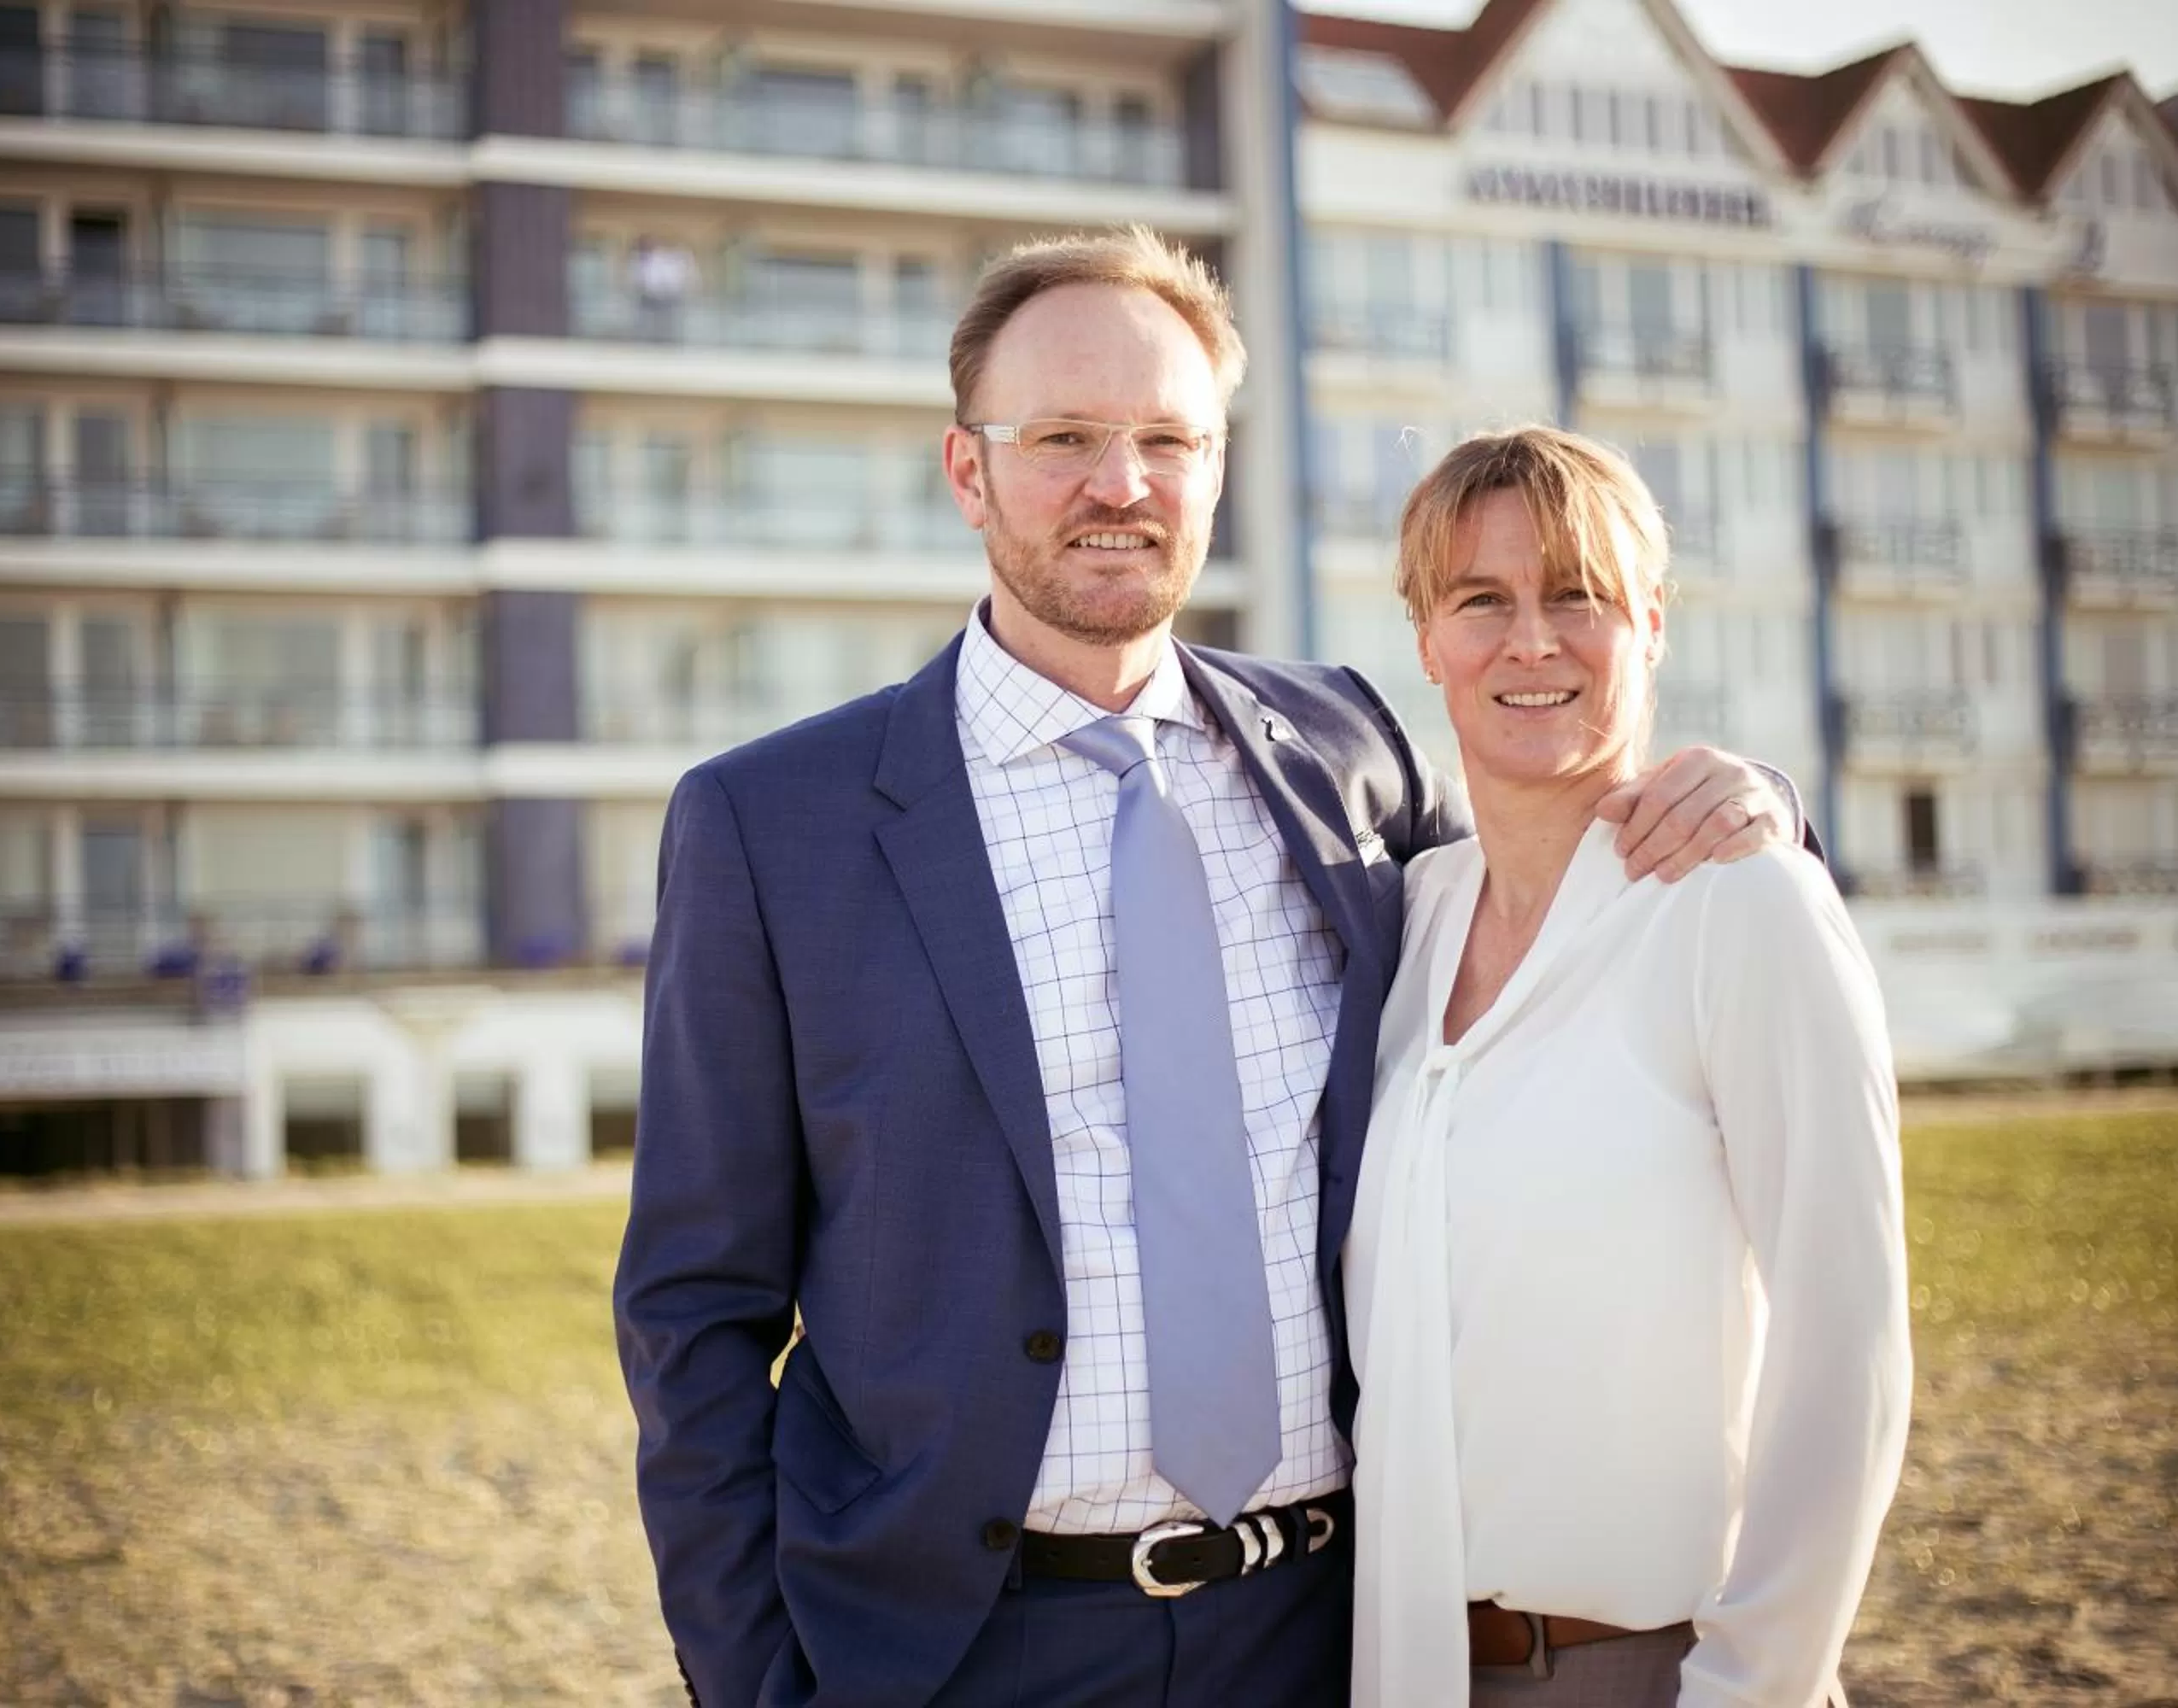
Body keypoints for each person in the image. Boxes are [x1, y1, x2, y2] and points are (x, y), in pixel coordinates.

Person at [615, 226, 1802, 1708]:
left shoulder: (1346, 753)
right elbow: (694, 1308)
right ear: (968, 471)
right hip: (964, 1649)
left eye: (1167, 440)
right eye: (1064, 438)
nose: (1121, 485)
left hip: (1325, 1629)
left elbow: (1558, 876)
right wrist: (754, 1683)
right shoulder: (771, 825)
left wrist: (1754, 802)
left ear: (1217, 470)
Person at [1344, 427, 1913, 1707]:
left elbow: (1850, 1341)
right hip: (1410, 1667)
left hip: (1655, 1669)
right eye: (1480, 601)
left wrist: (1752, 1685)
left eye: (1577, 596)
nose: (1530, 641)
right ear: (1427, 640)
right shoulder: (1410, 919)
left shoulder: (1741, 901)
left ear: (1650, 623)